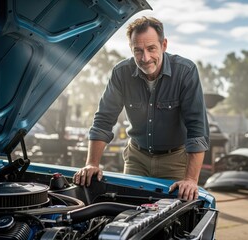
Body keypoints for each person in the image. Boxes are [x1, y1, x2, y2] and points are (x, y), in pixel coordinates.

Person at [73, 16, 209, 201]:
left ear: (164, 45)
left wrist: (191, 179)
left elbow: (197, 128)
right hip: (137, 158)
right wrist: (91, 164)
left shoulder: (185, 72)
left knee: (171, 217)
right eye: (138, 50)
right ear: (131, 49)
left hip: (175, 160)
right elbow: (104, 119)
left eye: (151, 48)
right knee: (128, 210)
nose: (145, 58)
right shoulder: (121, 73)